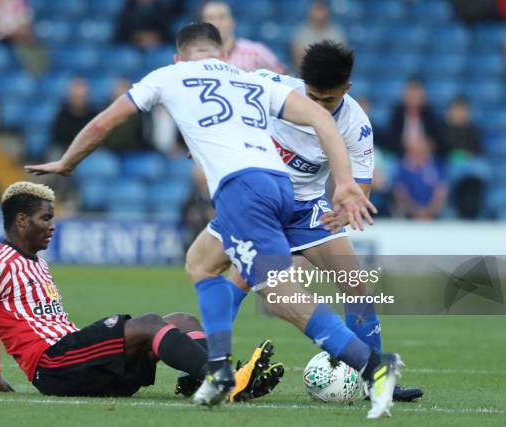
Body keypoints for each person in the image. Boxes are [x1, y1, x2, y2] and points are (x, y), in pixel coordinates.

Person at [25, 22, 402, 419]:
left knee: (280, 296)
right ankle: (218, 369)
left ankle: (374, 365)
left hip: (247, 190)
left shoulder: (170, 75)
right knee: (201, 260)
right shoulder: (249, 80)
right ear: (222, 56)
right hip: (274, 185)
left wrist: (67, 162)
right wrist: (343, 183)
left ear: (178, 58)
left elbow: (103, 123)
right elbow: (322, 122)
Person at [0, 181, 282, 400]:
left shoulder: (34, 260)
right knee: (149, 324)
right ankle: (225, 381)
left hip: (72, 356)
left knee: (184, 320)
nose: (53, 225)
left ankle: (201, 379)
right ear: (22, 221)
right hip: (54, 364)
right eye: (46, 218)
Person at [221, 41, 422, 402]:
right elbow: (220, 98)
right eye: (312, 97)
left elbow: (360, 184)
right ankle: (207, 367)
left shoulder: (356, 125)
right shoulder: (272, 86)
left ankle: (373, 382)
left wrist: (347, 208)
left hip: (306, 209)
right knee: (238, 280)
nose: (317, 107)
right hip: (258, 200)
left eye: (327, 101)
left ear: (347, 89)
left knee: (355, 283)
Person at [200, 1, 286, 73]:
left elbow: (283, 79)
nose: (217, 23)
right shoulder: (195, 57)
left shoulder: (256, 52)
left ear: (233, 21)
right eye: (210, 18)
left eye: (222, 17)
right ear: (201, 24)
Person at [392, 134, 448, 220]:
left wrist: (429, 211)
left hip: (433, 214)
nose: (419, 147)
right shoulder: (403, 166)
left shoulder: (437, 165)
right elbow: (400, 192)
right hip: (409, 214)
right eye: (416, 143)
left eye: (421, 143)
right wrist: (415, 211)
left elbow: (441, 191)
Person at [386, 78, 441, 156]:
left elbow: (436, 138)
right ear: (404, 95)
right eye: (411, 93)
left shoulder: (430, 113)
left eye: (417, 93)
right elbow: (391, 138)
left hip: (425, 155)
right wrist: (406, 145)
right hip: (401, 154)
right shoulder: (397, 113)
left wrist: (425, 144)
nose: (414, 97)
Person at [291, 1, 348, 68]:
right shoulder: (300, 31)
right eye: (317, 9)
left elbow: (342, 57)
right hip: (305, 74)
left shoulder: (337, 31)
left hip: (331, 74)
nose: (319, 14)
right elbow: (299, 59)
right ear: (310, 11)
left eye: (322, 9)